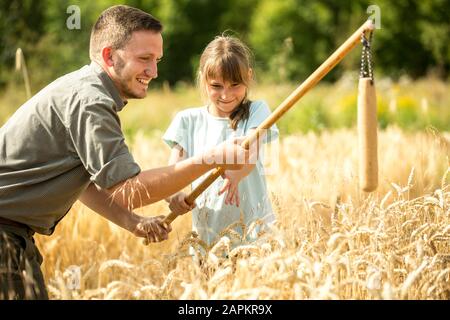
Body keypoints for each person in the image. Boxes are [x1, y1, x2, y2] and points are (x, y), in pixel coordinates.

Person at [0, 6, 251, 300]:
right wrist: (212, 158)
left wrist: (133, 222)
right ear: (109, 56)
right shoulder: (90, 102)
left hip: (13, 235)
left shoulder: (87, 91)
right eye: (144, 59)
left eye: (157, 60)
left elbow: (84, 183)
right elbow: (130, 190)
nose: (154, 72)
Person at [163, 35, 279, 251]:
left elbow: (250, 153)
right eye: (216, 86)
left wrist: (236, 174)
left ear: (249, 77)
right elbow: (173, 172)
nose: (226, 94)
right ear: (203, 80)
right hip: (208, 238)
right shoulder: (187, 120)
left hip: (254, 233)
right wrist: (174, 196)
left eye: (235, 84)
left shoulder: (257, 111)